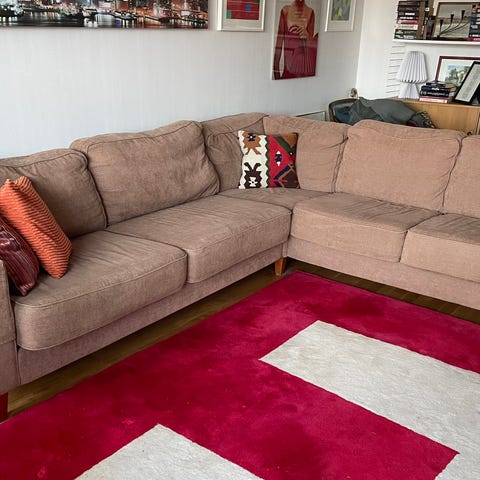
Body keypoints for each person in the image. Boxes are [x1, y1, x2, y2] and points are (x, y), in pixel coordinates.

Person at [273, 0, 318, 80]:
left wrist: (307, 36)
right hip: (288, 71)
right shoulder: (285, 11)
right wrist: (276, 74)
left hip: (304, 72)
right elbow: (278, 46)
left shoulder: (310, 12)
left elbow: (311, 48)